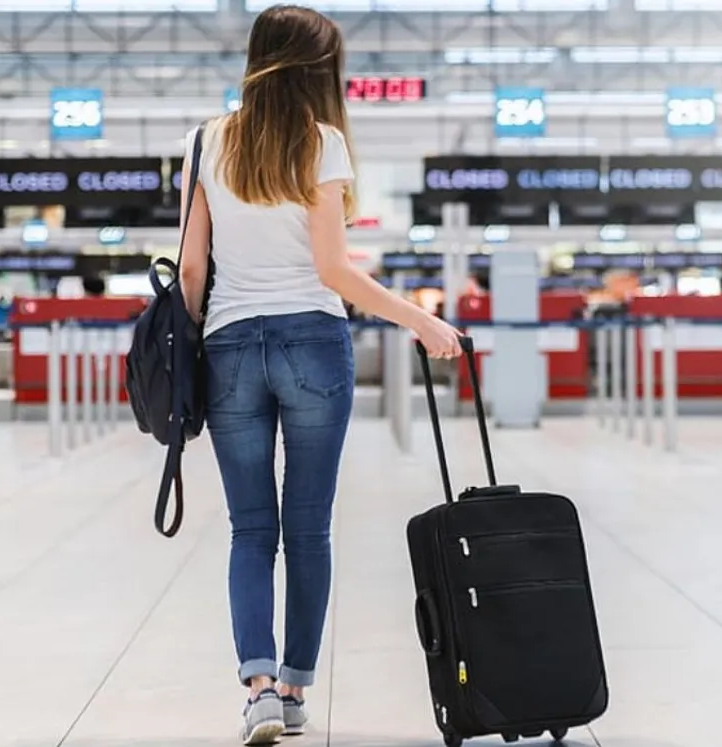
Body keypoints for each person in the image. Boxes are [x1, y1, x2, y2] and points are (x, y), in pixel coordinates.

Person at [175, 5, 463, 744]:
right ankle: (297, 687)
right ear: (316, 70)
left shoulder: (205, 142)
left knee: (249, 530)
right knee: (307, 528)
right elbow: (333, 269)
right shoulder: (322, 142)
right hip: (312, 343)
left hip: (231, 345)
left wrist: (189, 350)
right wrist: (420, 318)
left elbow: (193, 267)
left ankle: (260, 688)